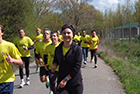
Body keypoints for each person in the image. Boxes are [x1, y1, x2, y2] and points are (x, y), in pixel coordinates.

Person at [51, 24, 83, 94]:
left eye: (68, 33)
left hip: (75, 82)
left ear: (72, 35)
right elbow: (56, 60)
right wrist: (55, 65)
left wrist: (66, 80)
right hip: (61, 80)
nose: (66, 35)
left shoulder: (77, 50)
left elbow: (76, 67)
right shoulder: (58, 49)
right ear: (61, 35)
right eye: (64, 33)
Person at [0, 25, 23, 94]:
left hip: (6, 81)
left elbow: (20, 62)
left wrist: (13, 60)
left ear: (2, 33)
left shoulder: (9, 46)